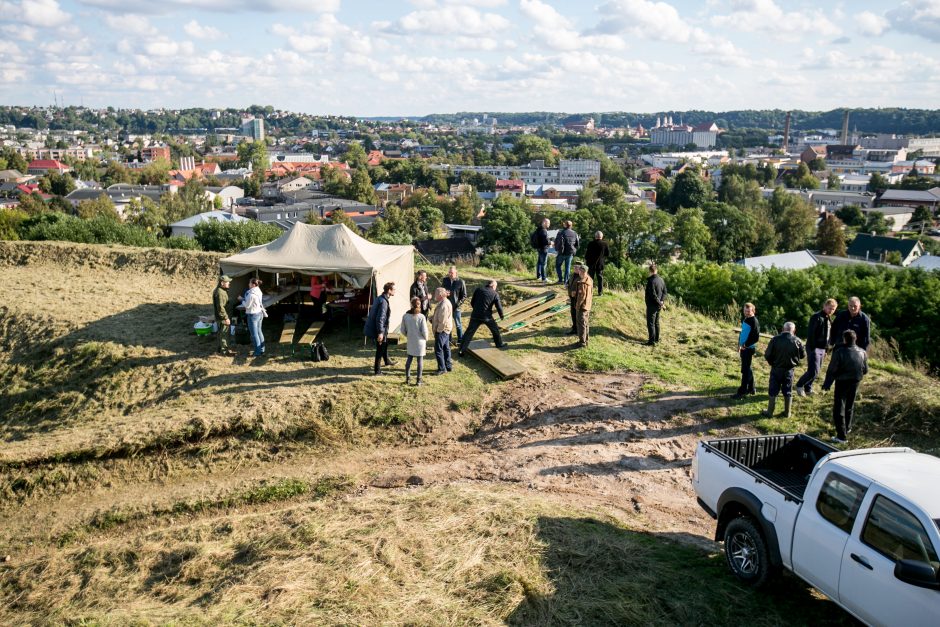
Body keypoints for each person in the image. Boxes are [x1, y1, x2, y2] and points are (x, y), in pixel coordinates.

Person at [821, 330, 869, 444]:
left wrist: (827, 384)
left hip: (842, 381)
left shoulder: (839, 351)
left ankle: (841, 436)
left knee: (839, 407)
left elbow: (832, 369)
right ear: (855, 339)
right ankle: (847, 428)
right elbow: (865, 370)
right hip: (855, 381)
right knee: (850, 405)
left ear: (844, 339)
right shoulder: (862, 352)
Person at [762, 321, 806, 418]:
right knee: (788, 390)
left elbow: (767, 355)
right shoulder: (798, 341)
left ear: (783, 329)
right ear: (794, 330)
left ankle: (770, 412)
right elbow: (803, 355)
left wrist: (772, 363)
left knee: (773, 389)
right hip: (789, 370)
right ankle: (787, 413)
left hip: (776, 368)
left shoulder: (775, 339)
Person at [795, 298, 838, 396]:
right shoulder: (816, 317)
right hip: (814, 347)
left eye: (833, 309)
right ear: (824, 306)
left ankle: (808, 388)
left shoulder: (829, 319)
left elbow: (828, 336)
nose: (831, 310)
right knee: (813, 371)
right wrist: (813, 348)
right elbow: (811, 334)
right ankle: (799, 385)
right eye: (830, 308)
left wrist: (827, 349)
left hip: (823, 349)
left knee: (817, 371)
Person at [458, 279, 507, 356]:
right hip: (487, 316)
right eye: (495, 286)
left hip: (475, 315)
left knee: (469, 333)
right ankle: (499, 344)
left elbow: (472, 302)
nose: (495, 288)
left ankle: (461, 350)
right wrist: (502, 316)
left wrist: (476, 309)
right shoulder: (495, 294)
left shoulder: (478, 290)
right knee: (495, 330)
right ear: (493, 286)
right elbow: (499, 307)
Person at [363, 282, 397, 375]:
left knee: (385, 344)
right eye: (394, 289)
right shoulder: (383, 302)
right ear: (389, 290)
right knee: (380, 349)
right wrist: (380, 333)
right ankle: (377, 371)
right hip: (379, 329)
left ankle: (387, 361)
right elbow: (380, 318)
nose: (395, 291)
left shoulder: (380, 298)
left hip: (382, 328)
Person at [732, 303, 760, 399]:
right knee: (747, 369)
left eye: (748, 311)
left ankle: (742, 392)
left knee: (745, 370)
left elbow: (756, 337)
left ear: (753, 311)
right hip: (743, 348)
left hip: (748, 349)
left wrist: (745, 345)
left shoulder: (754, 321)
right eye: (745, 311)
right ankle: (752, 388)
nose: (746, 312)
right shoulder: (746, 319)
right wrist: (739, 345)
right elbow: (743, 333)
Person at [401, 296, 428, 386]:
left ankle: (408, 378)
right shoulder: (421, 317)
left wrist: (408, 335)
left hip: (411, 340)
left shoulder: (405, 316)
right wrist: (426, 338)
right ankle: (418, 380)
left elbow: (402, 330)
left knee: (409, 359)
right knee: (419, 361)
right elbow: (424, 331)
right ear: (419, 305)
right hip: (420, 341)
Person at [441, 265, 467, 344]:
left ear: (456, 273)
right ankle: (449, 340)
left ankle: (460, 340)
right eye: (449, 272)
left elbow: (464, 296)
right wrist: (445, 293)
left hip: (456, 308)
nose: (450, 274)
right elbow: (441, 291)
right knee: (448, 324)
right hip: (447, 306)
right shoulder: (445, 280)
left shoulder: (461, 282)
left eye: (452, 273)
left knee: (458, 324)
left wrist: (457, 305)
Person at [430, 287, 453, 375]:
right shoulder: (444, 302)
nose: (434, 295)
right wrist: (432, 318)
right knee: (446, 348)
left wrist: (438, 331)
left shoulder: (444, 304)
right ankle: (448, 366)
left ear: (440, 295)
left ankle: (442, 368)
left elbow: (442, 321)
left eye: (436, 293)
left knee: (438, 349)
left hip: (442, 330)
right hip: (446, 329)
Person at [243, 277, 267, 357]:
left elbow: (247, 305)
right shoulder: (258, 290)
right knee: (259, 331)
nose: (248, 284)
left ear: (253, 284)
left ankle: (257, 352)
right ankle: (262, 349)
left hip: (253, 315)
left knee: (254, 334)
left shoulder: (251, 294)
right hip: (259, 313)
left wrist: (241, 300)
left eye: (249, 283)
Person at [644, 263, 667, 346]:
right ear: (656, 270)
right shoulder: (661, 279)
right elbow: (665, 292)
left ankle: (651, 341)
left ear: (650, 271)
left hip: (652, 305)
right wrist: (661, 302)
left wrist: (660, 303)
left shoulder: (651, 281)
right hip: (658, 305)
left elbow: (653, 295)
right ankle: (656, 339)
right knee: (656, 323)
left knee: (651, 323)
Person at [573, 264, 593, 347]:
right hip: (587, 305)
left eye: (580, 271)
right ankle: (585, 340)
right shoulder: (589, 279)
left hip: (582, 307)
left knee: (581, 324)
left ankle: (582, 342)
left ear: (583, 271)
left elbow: (581, 296)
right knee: (585, 324)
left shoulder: (583, 283)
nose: (578, 272)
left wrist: (577, 307)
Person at [213, 274, 234, 355]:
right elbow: (221, 307)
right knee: (224, 334)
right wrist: (226, 318)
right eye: (227, 282)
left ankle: (220, 349)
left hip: (222, 317)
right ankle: (224, 351)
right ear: (222, 283)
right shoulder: (220, 292)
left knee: (221, 333)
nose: (229, 283)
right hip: (223, 318)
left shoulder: (221, 290)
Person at [584, 231, 610, 296]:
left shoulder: (591, 243)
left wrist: (587, 261)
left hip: (591, 264)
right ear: (602, 236)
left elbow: (587, 255)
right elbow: (608, 254)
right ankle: (600, 292)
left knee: (590, 278)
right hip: (600, 263)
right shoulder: (605, 244)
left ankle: (589, 291)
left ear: (595, 236)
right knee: (600, 278)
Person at [554, 220, 580, 284]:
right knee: (567, 267)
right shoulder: (575, 233)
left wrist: (557, 249)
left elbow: (556, 242)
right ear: (571, 226)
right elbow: (577, 244)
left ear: (565, 225)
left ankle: (560, 279)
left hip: (562, 252)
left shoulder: (561, 232)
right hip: (570, 252)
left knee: (558, 265)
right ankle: (566, 281)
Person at [532, 218, 551, 282]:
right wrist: (551, 242)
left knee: (539, 263)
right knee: (544, 264)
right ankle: (544, 278)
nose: (549, 224)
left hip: (539, 248)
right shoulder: (544, 230)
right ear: (544, 223)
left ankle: (539, 276)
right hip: (544, 249)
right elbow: (546, 241)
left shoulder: (538, 229)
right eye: (548, 223)